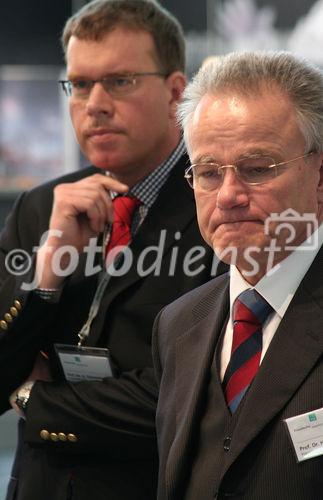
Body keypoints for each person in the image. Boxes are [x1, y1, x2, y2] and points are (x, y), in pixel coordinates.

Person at [0, 1, 223, 499]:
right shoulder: (41, 209)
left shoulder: (220, 208)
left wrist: (33, 397)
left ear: (175, 93)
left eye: (119, 81)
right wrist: (46, 280)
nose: (94, 103)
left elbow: (190, 399)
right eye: (79, 84)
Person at [153, 51, 323, 500]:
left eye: (257, 169)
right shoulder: (177, 325)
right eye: (208, 172)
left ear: (320, 174)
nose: (227, 196)